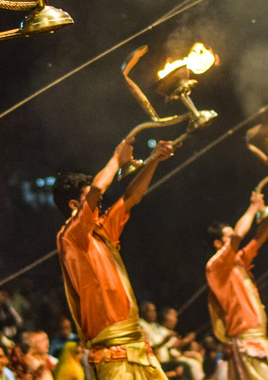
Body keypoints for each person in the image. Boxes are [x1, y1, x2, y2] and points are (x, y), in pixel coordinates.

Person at [55, 139, 175, 380]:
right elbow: (98, 190)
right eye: (87, 197)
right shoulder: (71, 236)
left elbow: (131, 198)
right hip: (112, 348)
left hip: (135, 343)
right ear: (73, 205)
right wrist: (116, 159)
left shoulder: (101, 230)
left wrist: (154, 161)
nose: (99, 200)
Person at [205, 193, 268, 380]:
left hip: (257, 338)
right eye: (227, 237)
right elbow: (239, 235)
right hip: (247, 340)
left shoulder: (238, 260)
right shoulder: (215, 266)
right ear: (218, 244)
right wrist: (253, 207)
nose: (233, 240)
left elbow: (258, 239)